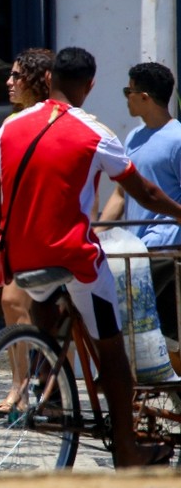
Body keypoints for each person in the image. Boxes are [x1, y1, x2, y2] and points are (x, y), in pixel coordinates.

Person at [0, 46, 179, 467]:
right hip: (75, 258)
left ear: (49, 78)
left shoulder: (8, 128)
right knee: (112, 351)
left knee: (50, 324)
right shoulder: (96, 132)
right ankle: (128, 449)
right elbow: (143, 193)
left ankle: (52, 396)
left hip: (23, 259)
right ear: (90, 85)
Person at [0, 47, 54, 417]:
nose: (9, 82)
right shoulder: (6, 127)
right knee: (11, 304)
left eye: (17, 76)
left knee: (41, 312)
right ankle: (20, 384)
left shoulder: (57, 122)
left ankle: (43, 387)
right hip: (14, 232)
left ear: (39, 80)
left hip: (49, 233)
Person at [98, 62, 180, 342]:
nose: (126, 98)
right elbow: (121, 193)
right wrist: (96, 232)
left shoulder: (177, 139)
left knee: (131, 316)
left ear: (144, 97)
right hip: (134, 249)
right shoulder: (133, 137)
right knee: (158, 327)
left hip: (165, 250)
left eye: (128, 91)